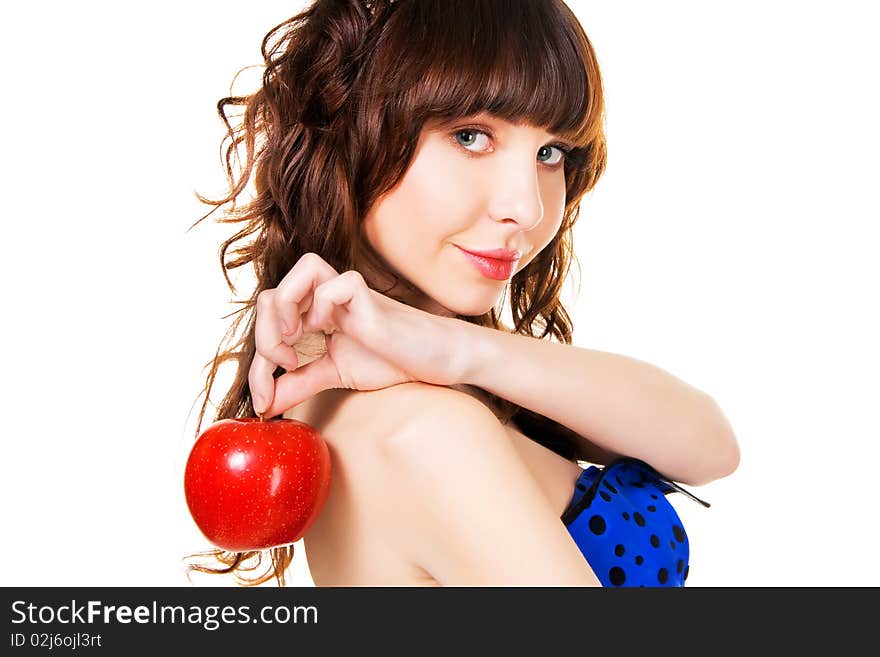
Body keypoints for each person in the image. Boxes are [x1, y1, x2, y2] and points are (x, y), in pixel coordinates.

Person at [185, 0, 739, 587]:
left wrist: (458, 350)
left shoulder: (414, 381)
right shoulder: (424, 433)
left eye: (550, 153)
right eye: (471, 136)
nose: (526, 208)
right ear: (350, 132)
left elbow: (710, 449)